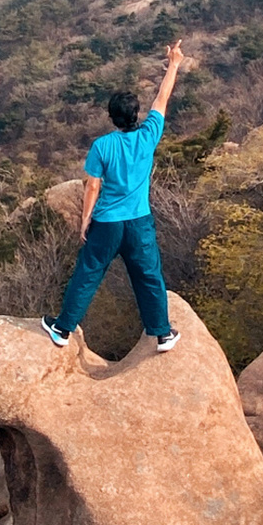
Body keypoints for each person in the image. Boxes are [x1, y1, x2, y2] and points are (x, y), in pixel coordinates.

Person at [43, 41, 186, 352]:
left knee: (87, 275)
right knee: (148, 276)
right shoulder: (149, 135)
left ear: (111, 117)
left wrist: (85, 221)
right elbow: (162, 99)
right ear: (136, 114)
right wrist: (173, 63)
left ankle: (62, 329)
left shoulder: (102, 146)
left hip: (107, 222)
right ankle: (162, 334)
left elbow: (92, 186)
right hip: (139, 221)